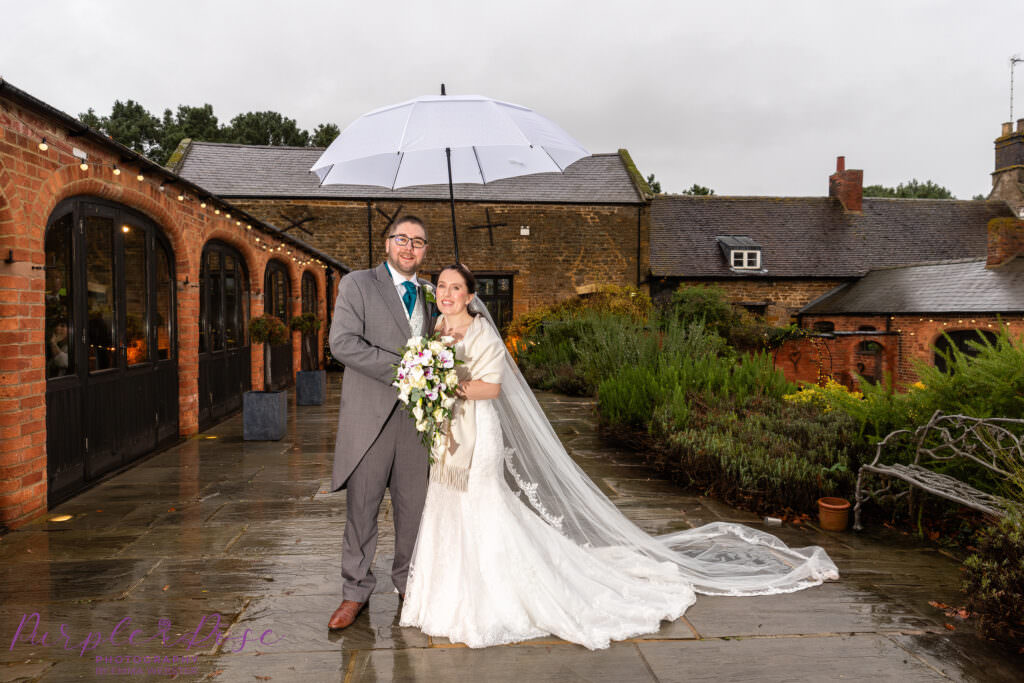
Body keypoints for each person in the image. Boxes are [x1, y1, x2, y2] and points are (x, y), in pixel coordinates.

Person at [399, 264, 839, 650]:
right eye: (442, 286)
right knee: (449, 508)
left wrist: (438, 384)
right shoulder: (435, 330)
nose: (447, 293)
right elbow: (433, 376)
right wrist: (424, 382)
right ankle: (447, 594)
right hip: (449, 436)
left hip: (480, 437)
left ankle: (494, 597)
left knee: (483, 508)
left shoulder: (481, 333)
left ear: (472, 295)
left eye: (456, 287)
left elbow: (491, 388)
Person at [327, 216, 434, 630]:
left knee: (415, 511)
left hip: (417, 421)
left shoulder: (429, 293)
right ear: (387, 243)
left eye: (419, 242)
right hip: (368, 418)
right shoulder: (357, 284)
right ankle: (355, 592)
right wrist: (408, 369)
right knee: (362, 510)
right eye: (402, 239)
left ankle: (409, 585)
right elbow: (343, 344)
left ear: (425, 250)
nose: (409, 248)